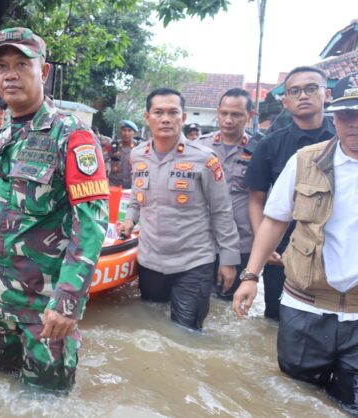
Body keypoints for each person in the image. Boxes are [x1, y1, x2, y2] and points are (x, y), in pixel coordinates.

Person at [0, 27, 109, 392]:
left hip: (43, 311)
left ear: (42, 72)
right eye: (1, 66)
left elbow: (91, 224)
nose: (9, 74)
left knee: (43, 403)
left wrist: (67, 301)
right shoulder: (2, 137)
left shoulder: (71, 135)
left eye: (20, 64)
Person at [233, 85, 358, 410]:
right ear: (336, 118)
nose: (355, 123)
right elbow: (275, 221)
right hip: (305, 308)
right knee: (294, 400)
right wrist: (250, 276)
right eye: (348, 115)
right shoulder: (306, 161)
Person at [118, 88, 240, 331]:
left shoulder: (205, 159)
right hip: (150, 260)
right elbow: (136, 196)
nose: (165, 119)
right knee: (149, 325)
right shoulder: (137, 155)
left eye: (173, 112)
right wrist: (130, 219)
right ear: (147, 117)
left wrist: (228, 260)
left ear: (182, 118)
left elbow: (222, 211)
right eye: (158, 112)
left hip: (194, 262)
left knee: (186, 334)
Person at [244, 66, 335, 320]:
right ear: (286, 100)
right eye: (295, 91)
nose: (303, 96)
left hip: (335, 246)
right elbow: (256, 199)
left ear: (326, 94)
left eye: (310, 89)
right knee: (278, 317)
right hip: (283, 248)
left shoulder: (345, 138)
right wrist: (263, 246)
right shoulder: (269, 144)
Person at [197, 88, 255, 299]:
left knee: (229, 304)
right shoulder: (200, 148)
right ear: (218, 112)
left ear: (250, 116)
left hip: (242, 243)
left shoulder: (260, 150)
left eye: (236, 114)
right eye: (224, 113)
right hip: (203, 240)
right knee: (199, 301)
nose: (228, 120)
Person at [108, 120, 138, 188]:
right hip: (113, 185)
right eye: (124, 130)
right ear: (120, 132)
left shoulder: (139, 147)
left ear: (134, 133)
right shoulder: (113, 145)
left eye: (129, 130)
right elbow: (101, 159)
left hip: (132, 186)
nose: (126, 133)